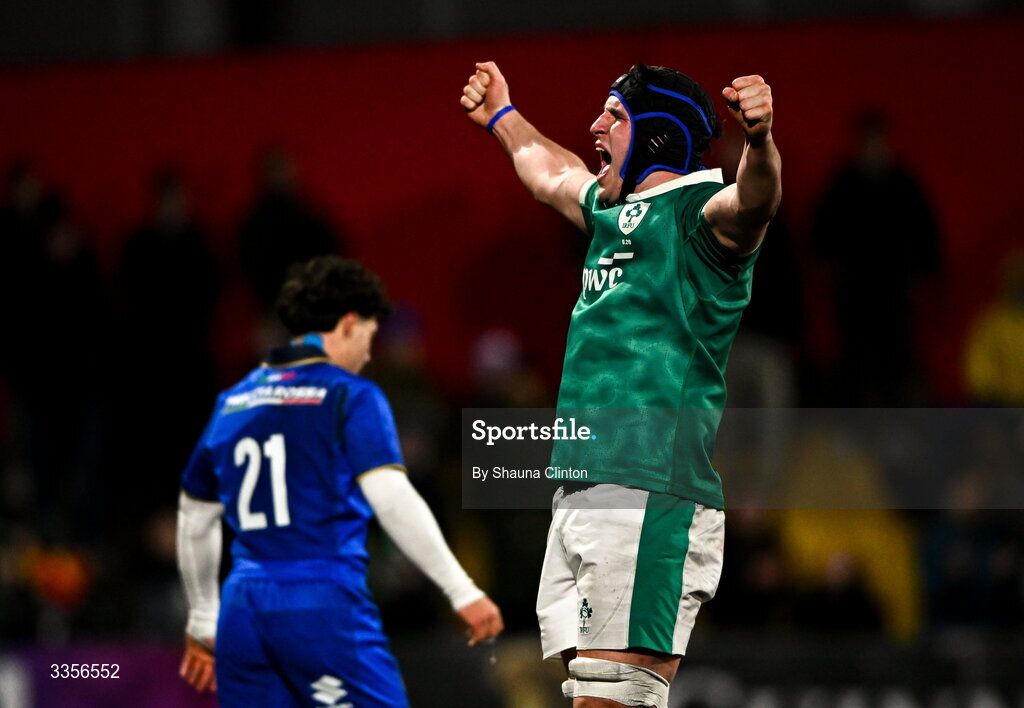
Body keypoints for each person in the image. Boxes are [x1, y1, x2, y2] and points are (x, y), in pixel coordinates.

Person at [461, 62, 781, 707]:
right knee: (595, 697)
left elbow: (757, 199)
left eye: (615, 116)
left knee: (615, 699)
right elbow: (551, 172)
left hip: (647, 491)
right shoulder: (615, 217)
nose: (594, 126)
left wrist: (760, 140)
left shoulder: (700, 216)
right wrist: (503, 115)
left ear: (658, 135)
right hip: (586, 489)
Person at [176, 255, 503, 707]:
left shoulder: (234, 400)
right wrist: (461, 589)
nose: (369, 353)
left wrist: (202, 617)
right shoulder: (350, 395)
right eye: (368, 335)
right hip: (320, 601)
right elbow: (390, 496)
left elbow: (195, 516)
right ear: (349, 324)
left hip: (241, 609)